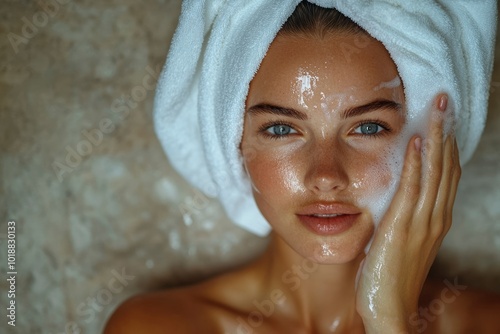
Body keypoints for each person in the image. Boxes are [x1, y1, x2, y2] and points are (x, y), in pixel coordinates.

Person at [104, 3, 500, 333]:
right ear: (231, 144)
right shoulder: (156, 327)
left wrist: (389, 321)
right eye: (281, 129)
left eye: (367, 127)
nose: (326, 175)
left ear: (432, 142)